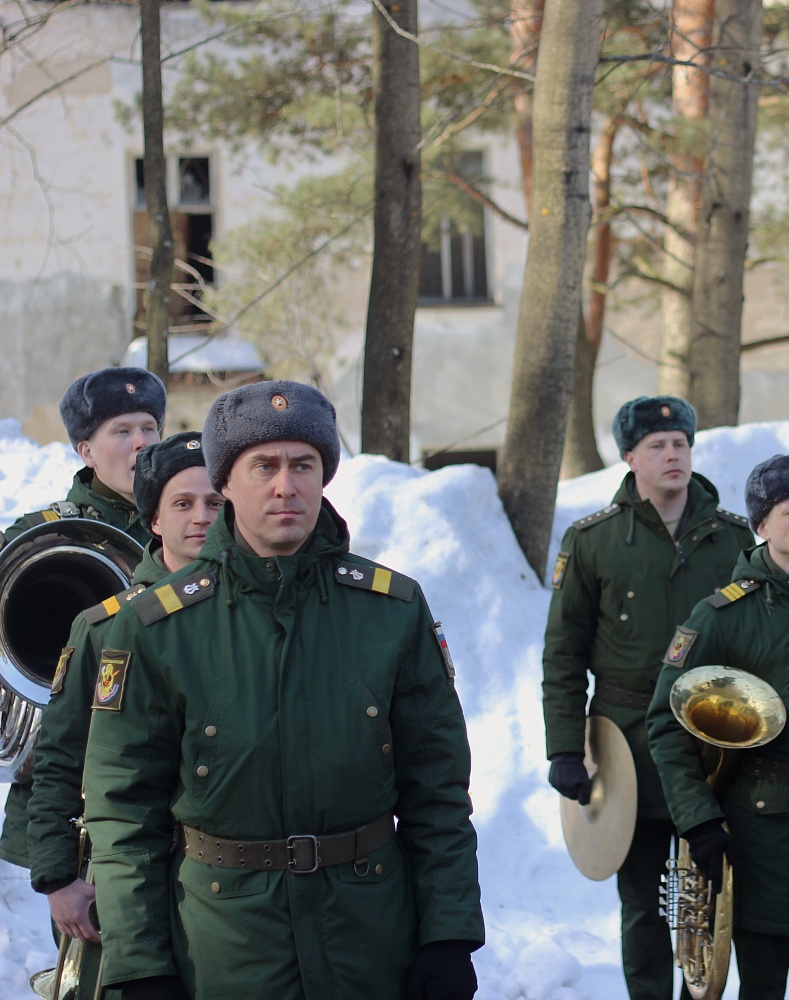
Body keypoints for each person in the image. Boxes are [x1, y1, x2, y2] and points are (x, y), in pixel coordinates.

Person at [83, 381, 483, 1000]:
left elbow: (437, 792)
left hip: (368, 940)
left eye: (304, 465)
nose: (285, 485)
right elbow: (123, 813)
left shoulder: (391, 610)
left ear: (324, 476)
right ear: (226, 483)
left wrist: (448, 937)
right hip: (224, 946)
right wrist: (140, 968)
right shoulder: (157, 627)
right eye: (263, 466)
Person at [542, 395, 752, 1000]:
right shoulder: (593, 542)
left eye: (681, 444)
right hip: (625, 743)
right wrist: (565, 749)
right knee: (643, 904)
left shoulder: (734, 540)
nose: (671, 456)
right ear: (630, 457)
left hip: (715, 741)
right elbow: (563, 654)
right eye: (657, 446)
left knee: (710, 894)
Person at [646, 454, 789, 1000]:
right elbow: (667, 726)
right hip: (759, 831)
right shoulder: (721, 615)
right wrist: (699, 821)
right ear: (762, 525)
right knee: (762, 986)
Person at [26, 432, 223, 997]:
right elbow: (58, 760)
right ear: (154, 521)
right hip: (123, 874)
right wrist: (58, 877)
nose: (202, 518)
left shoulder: (253, 618)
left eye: (215, 504)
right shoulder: (104, 626)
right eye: (182, 504)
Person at [0, 367, 164, 872]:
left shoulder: (196, 523)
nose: (141, 443)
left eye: (149, 429)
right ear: (85, 451)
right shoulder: (37, 537)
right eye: (121, 431)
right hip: (75, 782)